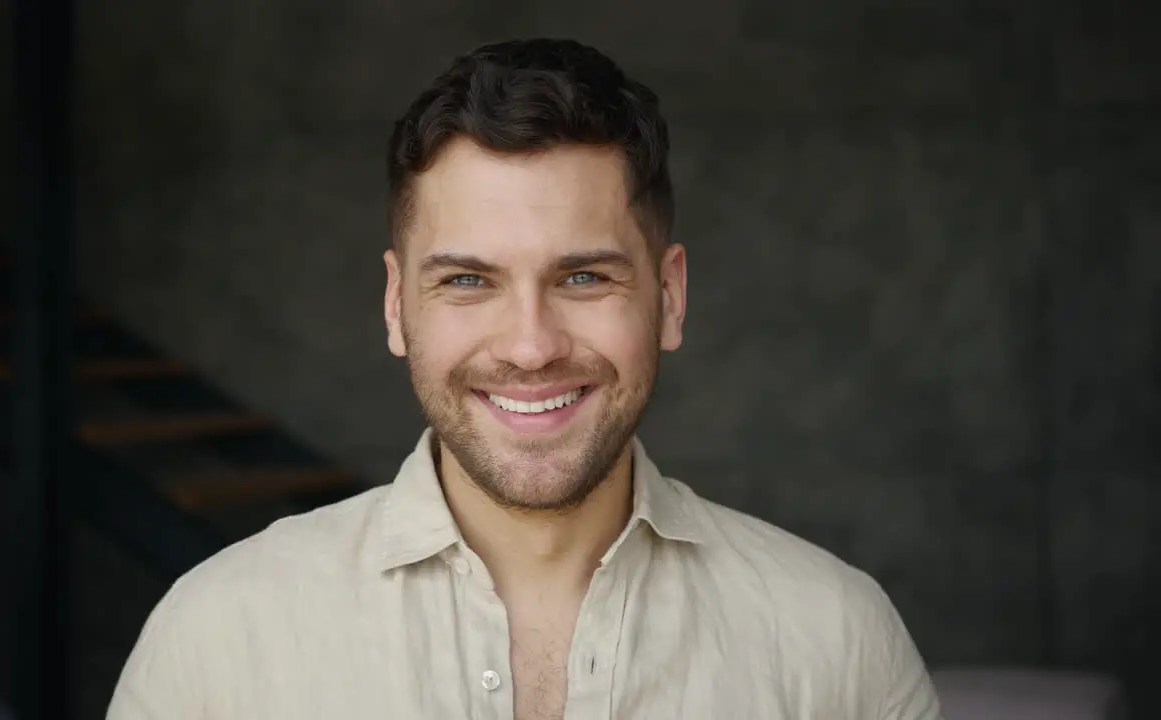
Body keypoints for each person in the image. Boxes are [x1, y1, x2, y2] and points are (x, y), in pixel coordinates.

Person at [107, 38, 942, 719]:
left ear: (671, 296)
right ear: (398, 306)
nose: (532, 346)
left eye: (584, 278)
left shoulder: (835, 640)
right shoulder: (218, 638)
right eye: (468, 281)